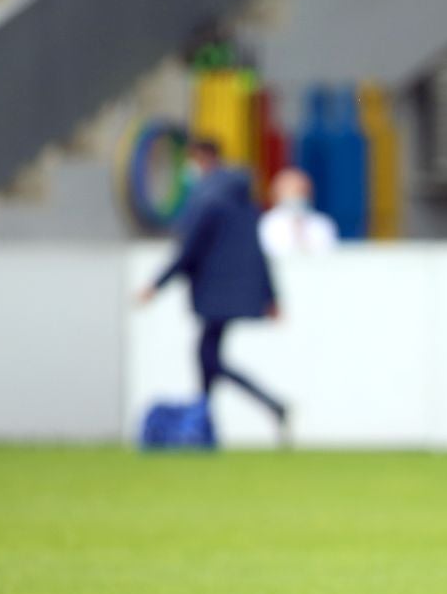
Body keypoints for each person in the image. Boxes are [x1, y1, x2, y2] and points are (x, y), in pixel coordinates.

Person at [139, 139, 289, 443]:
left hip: (212, 293)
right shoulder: (243, 198)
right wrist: (271, 296)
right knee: (208, 358)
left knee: (208, 358)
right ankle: (208, 423)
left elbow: (189, 252)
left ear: (203, 159)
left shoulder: (207, 199)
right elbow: (258, 252)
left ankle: (262, 407)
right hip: (233, 292)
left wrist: (157, 285)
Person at [258, 168, 339, 257]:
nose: (296, 195)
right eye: (290, 189)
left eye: (301, 190)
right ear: (276, 193)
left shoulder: (323, 223)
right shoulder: (267, 223)